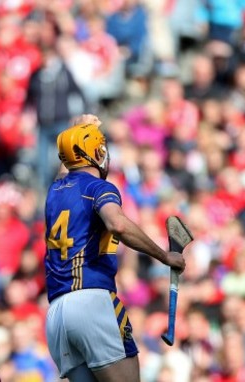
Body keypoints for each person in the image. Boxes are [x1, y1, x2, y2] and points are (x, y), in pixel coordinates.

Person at [43, 114, 187, 382]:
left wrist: (77, 131)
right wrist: (165, 256)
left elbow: (66, 168)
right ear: (98, 153)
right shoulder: (99, 187)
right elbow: (117, 224)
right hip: (92, 302)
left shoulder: (55, 191)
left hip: (56, 314)